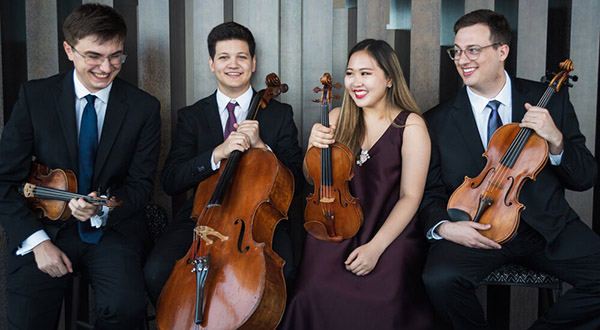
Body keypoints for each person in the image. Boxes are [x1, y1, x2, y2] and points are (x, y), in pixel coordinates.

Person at [420, 9, 600, 329]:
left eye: (473, 49)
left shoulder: (548, 101)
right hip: (478, 228)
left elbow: (585, 176)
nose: (463, 59)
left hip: (547, 228)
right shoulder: (436, 121)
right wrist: (445, 228)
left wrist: (556, 140)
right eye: (457, 51)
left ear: (502, 51)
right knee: (439, 279)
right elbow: (429, 192)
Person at [0, 4, 161, 329]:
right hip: (44, 227)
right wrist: (38, 242)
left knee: (125, 308)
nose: (106, 67)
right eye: (94, 56)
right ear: (69, 50)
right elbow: (4, 181)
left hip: (111, 231)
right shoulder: (35, 97)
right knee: (27, 318)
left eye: (116, 55)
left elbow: (140, 187)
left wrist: (102, 209)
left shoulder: (144, 108)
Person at [143, 21, 303, 307]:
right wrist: (216, 154)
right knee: (156, 271)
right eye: (224, 57)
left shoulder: (279, 115)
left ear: (253, 63)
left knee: (285, 272)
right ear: (211, 63)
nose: (234, 64)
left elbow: (296, 180)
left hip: (258, 220)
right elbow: (170, 180)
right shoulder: (192, 116)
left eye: (242, 57)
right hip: (203, 216)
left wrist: (261, 147)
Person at [281, 39, 435, 329]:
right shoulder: (337, 118)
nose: (355, 82)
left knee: (384, 304)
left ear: (390, 78)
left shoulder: (411, 125)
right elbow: (311, 178)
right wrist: (313, 148)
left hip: (390, 232)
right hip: (335, 226)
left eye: (366, 73)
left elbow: (410, 197)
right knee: (309, 296)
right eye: (350, 73)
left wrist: (375, 248)